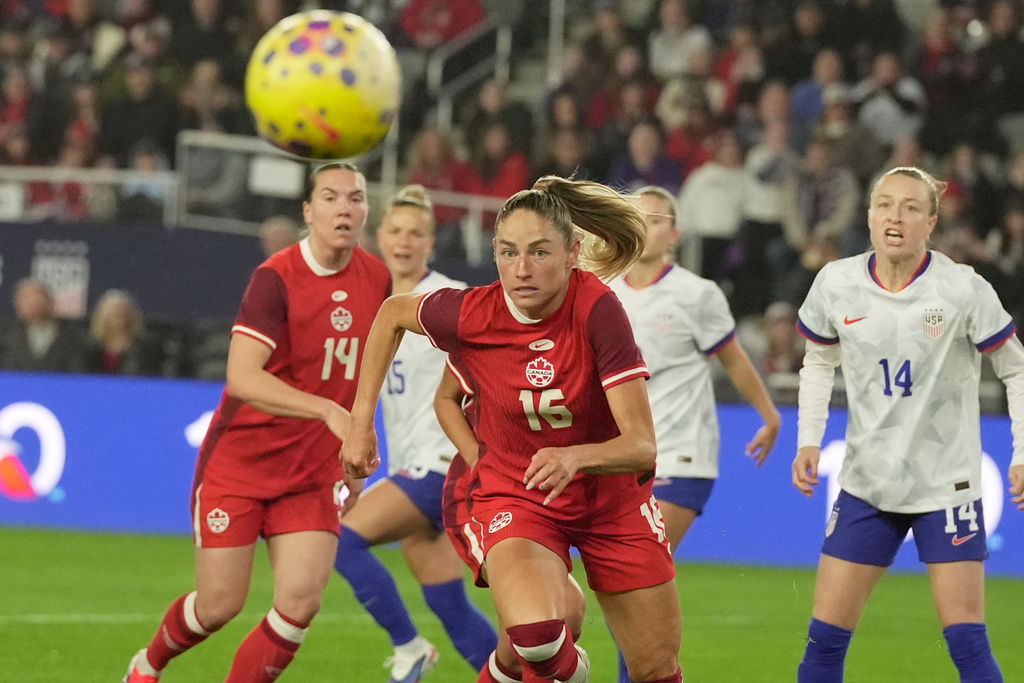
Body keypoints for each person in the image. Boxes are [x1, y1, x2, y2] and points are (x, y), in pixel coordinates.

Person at [343, 176, 684, 683]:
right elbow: (393, 314)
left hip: (613, 503)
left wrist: (576, 456)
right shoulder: (474, 312)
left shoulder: (598, 311)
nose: (521, 270)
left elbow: (640, 446)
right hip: (519, 497)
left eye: (539, 252)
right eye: (508, 252)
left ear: (573, 253)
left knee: (655, 670)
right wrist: (360, 421)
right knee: (537, 638)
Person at [121, 161, 392, 683]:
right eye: (332, 197)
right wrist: (327, 411)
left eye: (356, 198)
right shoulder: (276, 279)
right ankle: (147, 665)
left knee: (300, 603)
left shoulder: (376, 279)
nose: (345, 207)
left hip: (312, 470)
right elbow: (242, 377)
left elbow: (366, 372)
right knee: (219, 605)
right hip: (240, 464)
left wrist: (356, 446)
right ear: (308, 212)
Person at [792, 166, 1024, 682]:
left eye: (911, 207)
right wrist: (809, 439)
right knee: (824, 641)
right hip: (867, 482)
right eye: (885, 204)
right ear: (870, 216)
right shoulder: (836, 282)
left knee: (967, 643)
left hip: (947, 485)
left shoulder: (963, 289)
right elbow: (817, 362)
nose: (895, 215)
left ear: (931, 223)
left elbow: (1016, 368)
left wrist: (1022, 452)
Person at [608, 186, 781, 683]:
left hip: (682, 457)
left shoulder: (697, 294)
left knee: (634, 571)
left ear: (675, 234)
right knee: (631, 585)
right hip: (621, 456)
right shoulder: (605, 291)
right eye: (634, 218)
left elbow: (733, 359)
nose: (644, 227)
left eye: (656, 219)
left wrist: (769, 415)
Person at [331, 184, 498, 682]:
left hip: (442, 464)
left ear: (431, 242)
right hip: (412, 465)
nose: (404, 241)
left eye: (417, 233)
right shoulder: (375, 306)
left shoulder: (448, 300)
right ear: (378, 236)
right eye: (396, 231)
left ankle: (409, 648)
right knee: (448, 602)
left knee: (339, 540)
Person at [434, 365, 588, 683]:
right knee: (556, 618)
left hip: (539, 502)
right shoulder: (489, 331)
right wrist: (482, 464)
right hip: (483, 498)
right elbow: (445, 397)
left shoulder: (586, 337)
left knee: (517, 653)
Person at [0, 278, 86, 373]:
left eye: (36, 296)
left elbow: (80, 372)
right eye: (25, 297)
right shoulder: (5, 336)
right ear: (17, 304)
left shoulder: (76, 336)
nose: (32, 302)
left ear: (50, 300)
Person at [85, 288, 164, 376]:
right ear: (104, 316)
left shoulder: (147, 348)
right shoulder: (88, 346)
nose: (120, 316)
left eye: (124, 312)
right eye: (115, 313)